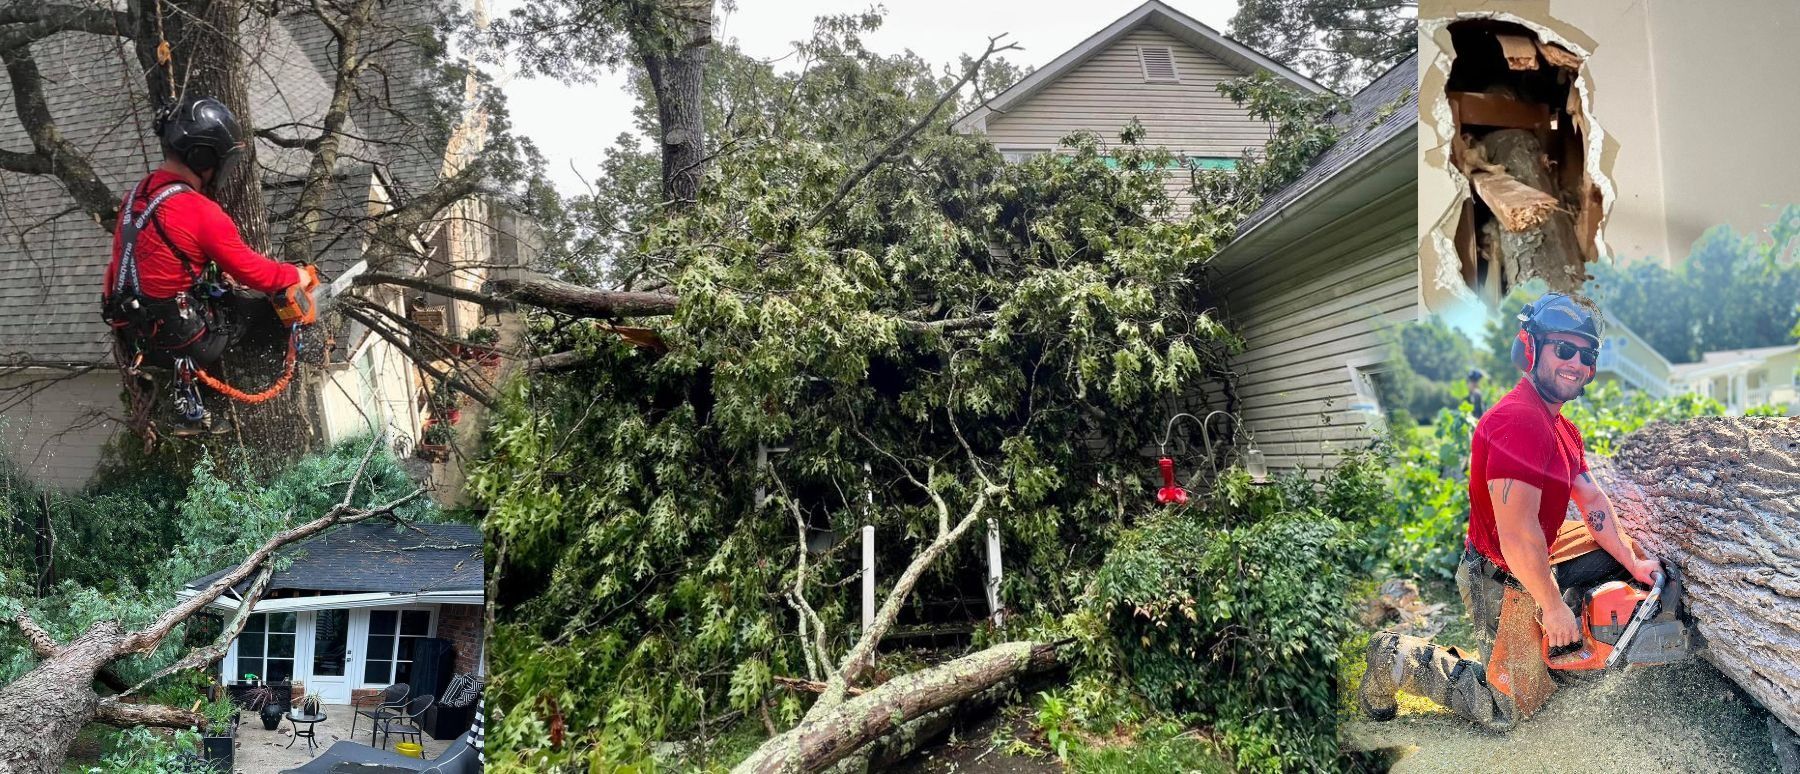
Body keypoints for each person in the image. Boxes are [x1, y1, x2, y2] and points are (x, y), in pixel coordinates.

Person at [1358, 292, 1660, 730]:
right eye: (1564, 349)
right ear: (1531, 348)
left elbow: (1591, 500)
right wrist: (1553, 607)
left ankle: (1552, 641)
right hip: (1498, 573)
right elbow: (1517, 537)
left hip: (1538, 550)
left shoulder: (1561, 427)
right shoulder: (1518, 422)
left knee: (1620, 552)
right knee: (1509, 711)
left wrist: (1632, 560)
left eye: (1585, 353)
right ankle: (1391, 656)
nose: (1575, 362)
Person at [102, 95, 317, 432]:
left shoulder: (135, 198)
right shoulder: (198, 210)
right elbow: (255, 272)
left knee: (218, 298)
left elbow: (119, 269)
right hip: (184, 339)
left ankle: (190, 398)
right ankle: (241, 406)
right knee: (269, 313)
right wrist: (297, 274)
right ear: (203, 155)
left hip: (135, 336)